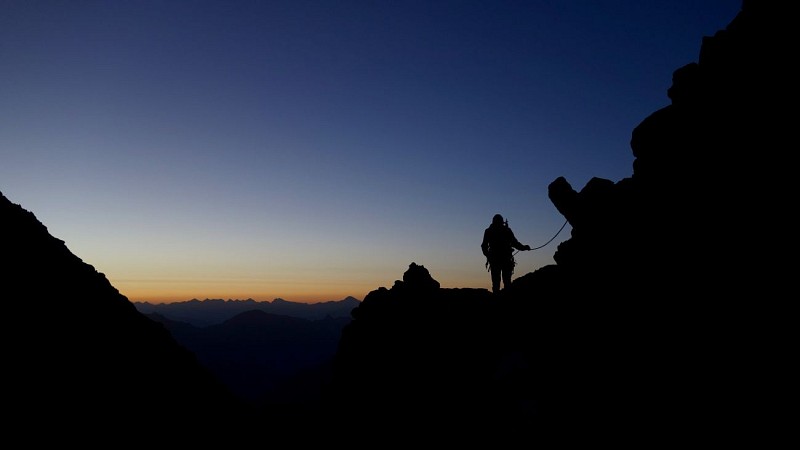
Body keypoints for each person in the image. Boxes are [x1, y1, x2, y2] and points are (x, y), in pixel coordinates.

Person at [481, 214, 530, 294]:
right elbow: (515, 243)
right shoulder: (506, 230)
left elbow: (484, 246)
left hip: (496, 260)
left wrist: (489, 256)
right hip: (505, 259)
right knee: (506, 282)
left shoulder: (489, 231)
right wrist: (524, 247)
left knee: (497, 282)